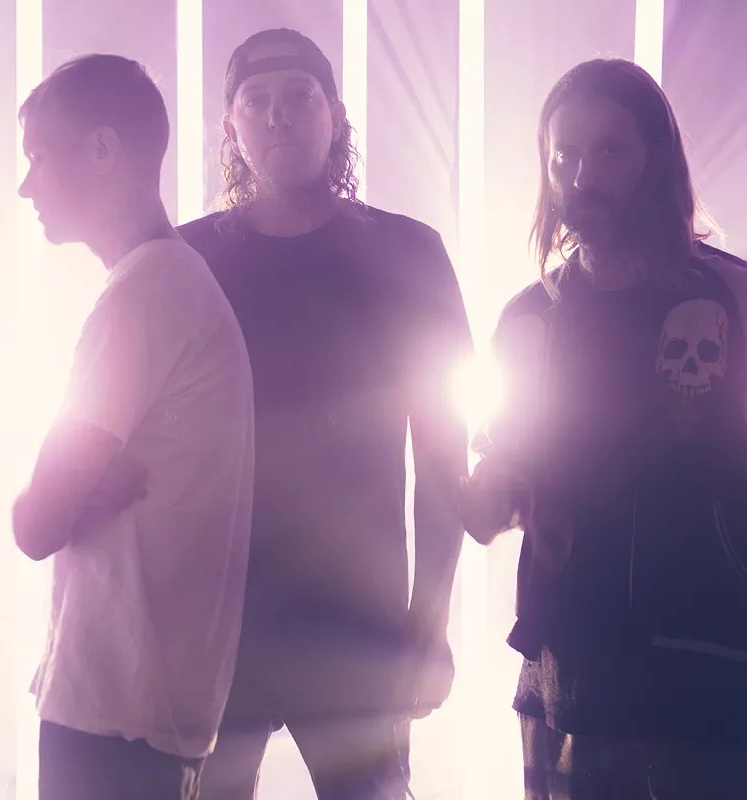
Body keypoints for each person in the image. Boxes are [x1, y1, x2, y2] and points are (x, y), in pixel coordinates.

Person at [459, 58, 747, 800]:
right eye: (564, 155)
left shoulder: (733, 299)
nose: (583, 176)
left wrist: (741, 568)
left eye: (610, 149)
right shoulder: (530, 317)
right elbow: (506, 474)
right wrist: (490, 498)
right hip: (565, 675)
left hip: (698, 681)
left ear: (656, 159)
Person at [178, 27, 472, 800]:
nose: (277, 116)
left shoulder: (406, 253)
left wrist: (429, 620)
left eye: (299, 97)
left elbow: (444, 452)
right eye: (257, 101)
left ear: (335, 115)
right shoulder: (189, 261)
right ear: (230, 126)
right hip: (220, 620)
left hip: (354, 617)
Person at [12, 54, 254, 800]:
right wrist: (71, 491)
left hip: (117, 713)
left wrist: (56, 497)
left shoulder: (145, 294)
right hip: (140, 711)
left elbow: (35, 524)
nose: (26, 185)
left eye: (38, 157)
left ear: (102, 151)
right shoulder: (170, 285)